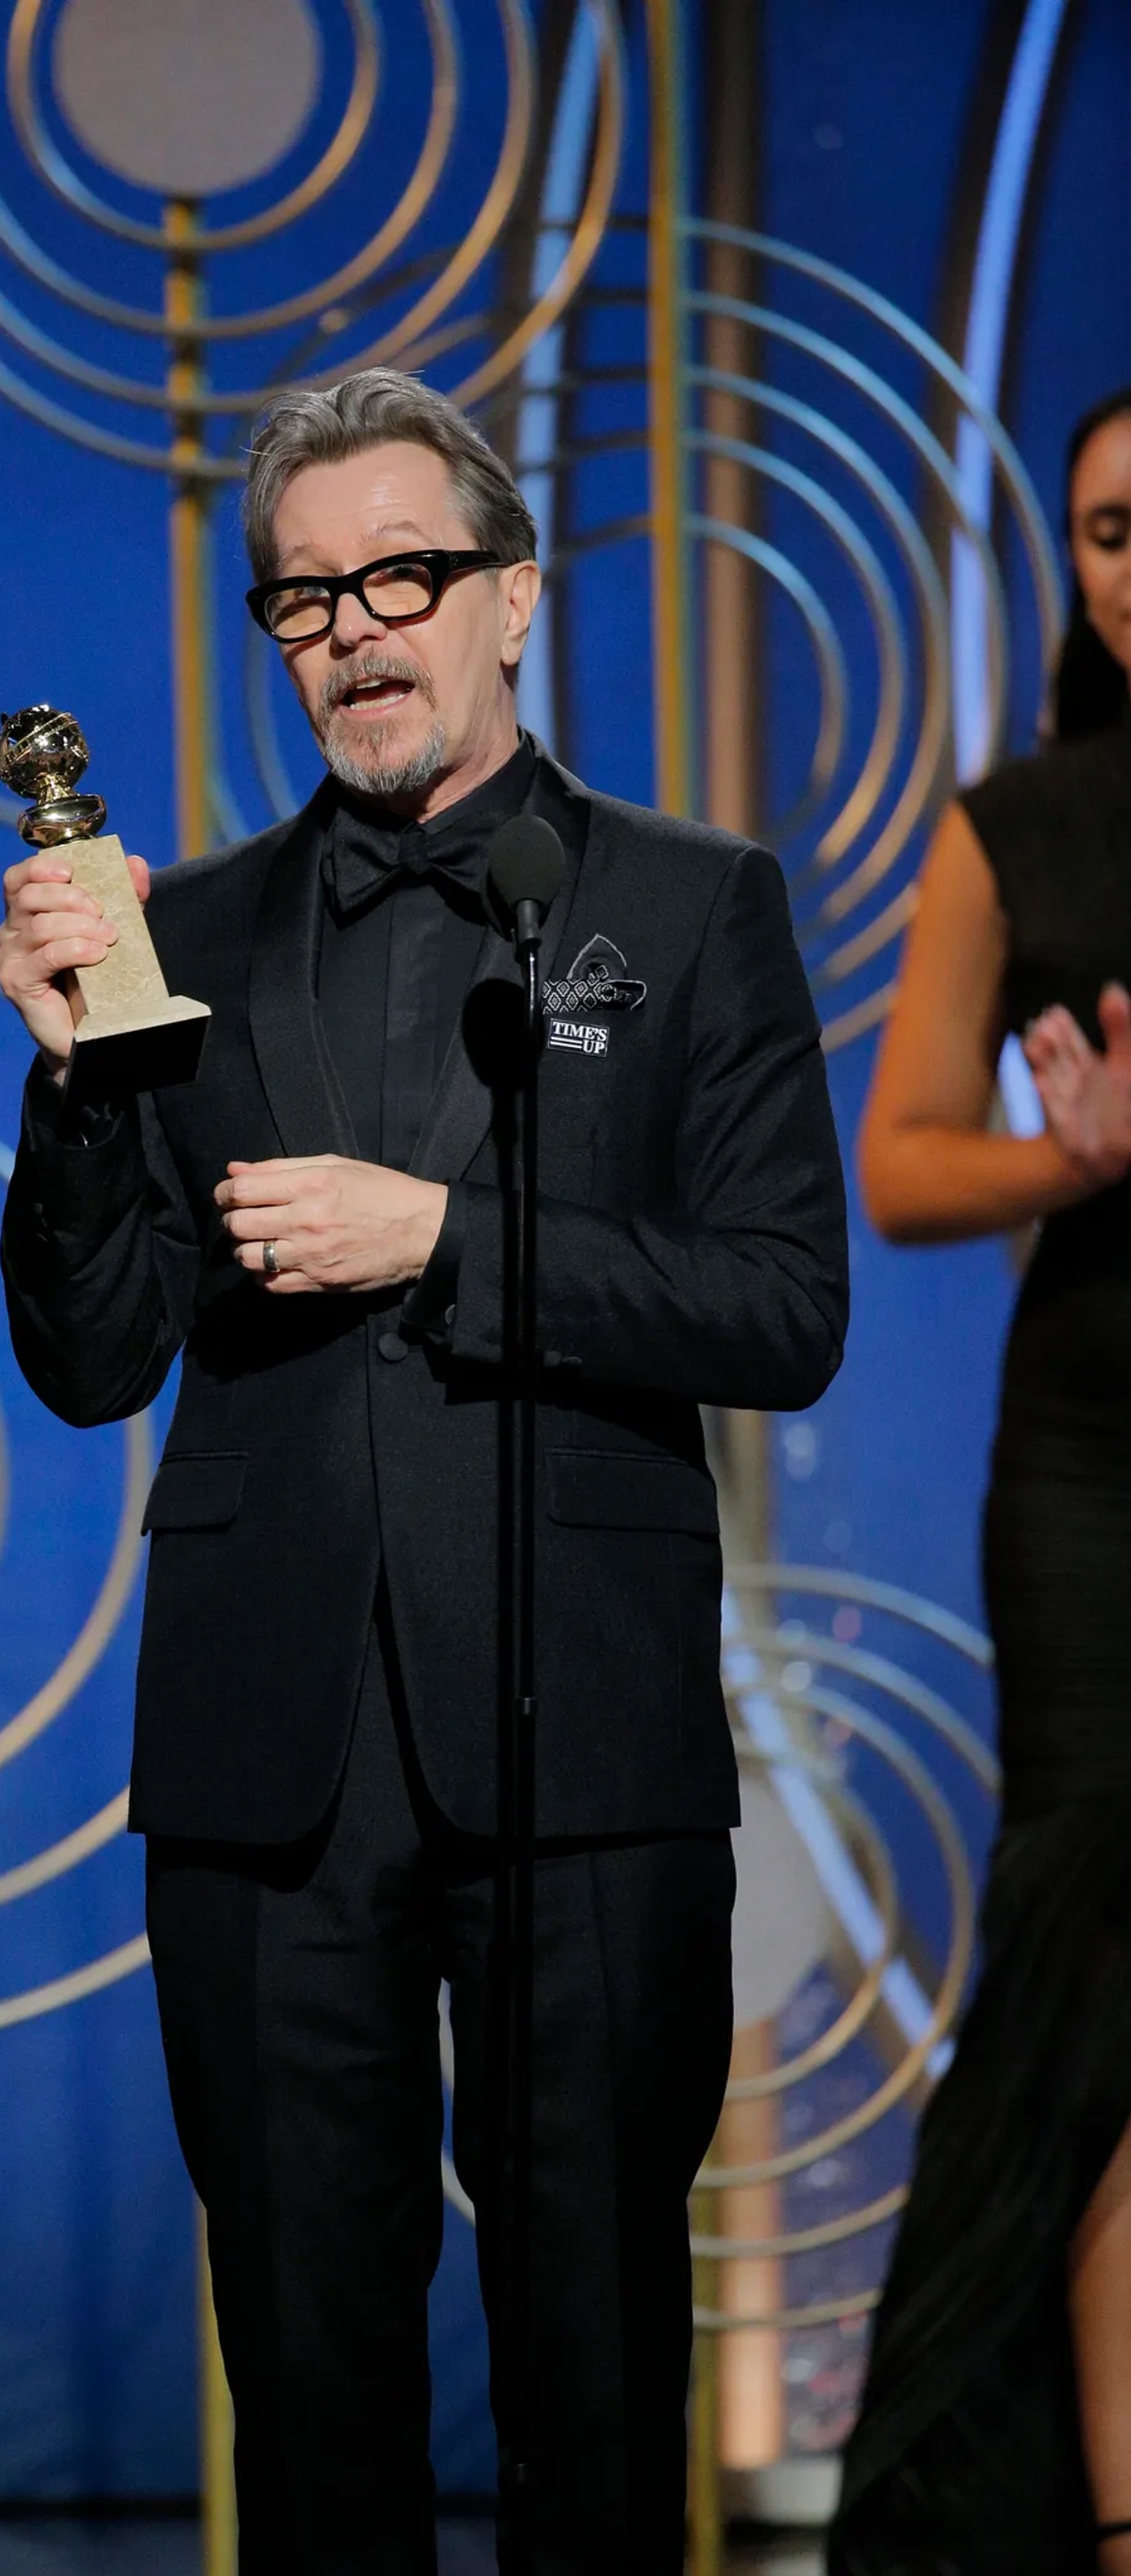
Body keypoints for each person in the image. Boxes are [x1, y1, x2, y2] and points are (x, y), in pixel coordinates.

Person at [0, 367, 848, 2575]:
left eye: (402, 576)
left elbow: (782, 1306)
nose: (355, 628)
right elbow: (92, 1360)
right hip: (270, 1763)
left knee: (594, 2389)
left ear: (511, 600)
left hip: (586, 1742)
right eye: (305, 599)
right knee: (310, 2393)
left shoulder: (689, 904)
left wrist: (449, 1240)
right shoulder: (186, 925)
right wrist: (78, 1091)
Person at [831, 386, 1131, 2576]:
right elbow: (905, 1162)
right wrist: (1085, 1155)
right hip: (1102, 1466)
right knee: (1102, 1994)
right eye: (1112, 533)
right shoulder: (1017, 824)